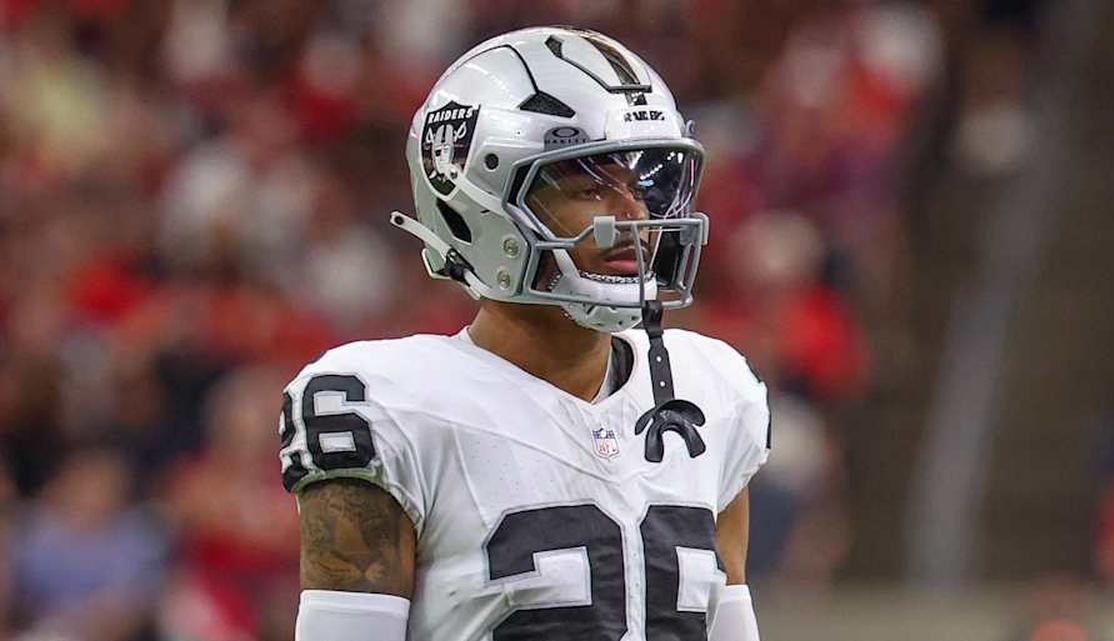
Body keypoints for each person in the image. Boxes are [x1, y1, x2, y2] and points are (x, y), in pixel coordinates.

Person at [279, 26, 770, 641]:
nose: (635, 216)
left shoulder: (713, 393)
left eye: (646, 187)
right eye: (590, 186)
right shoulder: (391, 407)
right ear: (477, 202)